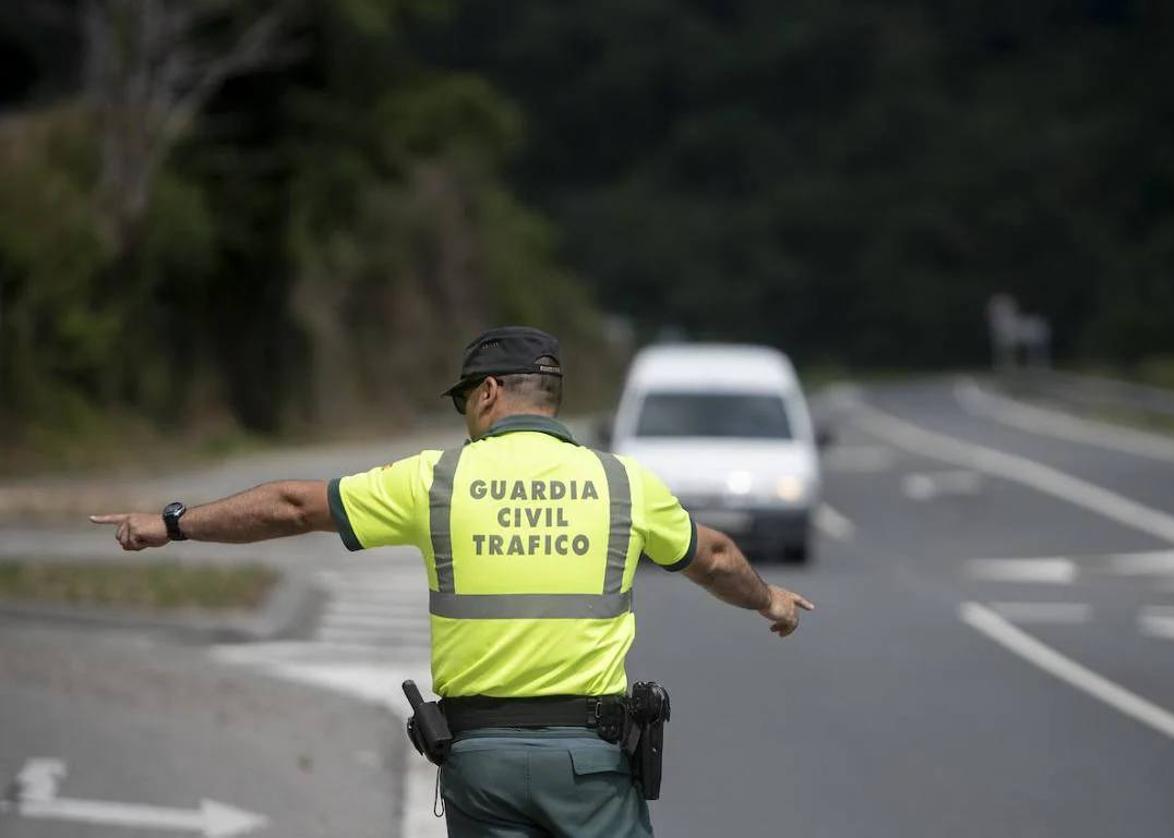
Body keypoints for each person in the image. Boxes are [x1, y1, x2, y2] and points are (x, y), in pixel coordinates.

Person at [91, 325, 815, 837]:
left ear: (491, 393)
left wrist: (173, 522)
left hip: (482, 766)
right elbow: (715, 555)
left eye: (463, 400)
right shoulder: (619, 482)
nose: (464, 416)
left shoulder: (438, 479)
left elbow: (293, 506)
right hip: (591, 767)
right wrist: (770, 601)